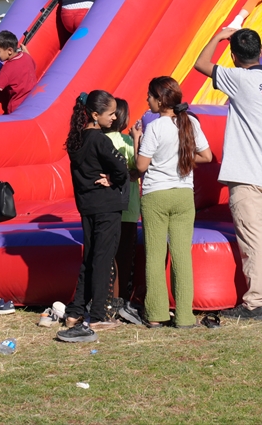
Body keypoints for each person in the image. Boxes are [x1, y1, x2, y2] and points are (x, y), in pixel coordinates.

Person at [194, 28, 262, 321]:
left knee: (252, 237)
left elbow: (201, 64)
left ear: (233, 57)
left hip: (246, 174)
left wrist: (218, 36)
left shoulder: (239, 79)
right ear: (261, 51)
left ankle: (255, 303)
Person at [133, 77, 212, 328]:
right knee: (181, 256)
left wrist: (137, 138)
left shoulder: (155, 127)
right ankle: (185, 316)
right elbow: (207, 156)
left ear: (159, 100)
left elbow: (141, 166)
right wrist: (184, 159)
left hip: (156, 194)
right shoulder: (190, 123)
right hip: (183, 194)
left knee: (155, 256)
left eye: (150, 96)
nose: (147, 100)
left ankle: (156, 314)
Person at [57, 90, 129, 344]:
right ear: (96, 115)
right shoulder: (100, 140)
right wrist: (114, 178)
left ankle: (75, 311)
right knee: (103, 258)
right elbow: (121, 168)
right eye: (111, 113)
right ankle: (98, 313)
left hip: (86, 205)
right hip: (106, 206)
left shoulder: (76, 140)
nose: (114, 117)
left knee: (89, 257)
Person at [103, 98, 141, 306]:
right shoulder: (125, 142)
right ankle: (121, 299)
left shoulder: (100, 139)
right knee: (124, 258)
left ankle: (108, 297)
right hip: (128, 208)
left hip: (107, 207)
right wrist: (136, 139)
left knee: (108, 256)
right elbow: (138, 167)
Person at [0, 31, 37, 114]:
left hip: (16, 108)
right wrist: (26, 52)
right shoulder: (26, 56)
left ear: (9, 50)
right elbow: (33, 66)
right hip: (31, 103)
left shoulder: (8, 68)